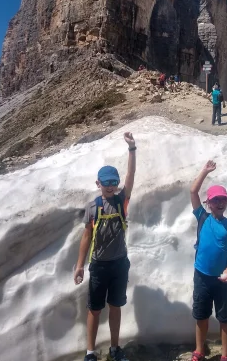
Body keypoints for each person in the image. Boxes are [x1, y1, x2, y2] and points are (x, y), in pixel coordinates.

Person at [74, 132, 137, 361]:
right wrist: (80, 265)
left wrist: (132, 149)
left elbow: (131, 175)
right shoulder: (93, 207)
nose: (111, 186)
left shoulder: (122, 201)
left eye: (114, 182)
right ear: (98, 183)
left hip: (119, 264)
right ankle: (90, 352)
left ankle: (114, 348)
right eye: (106, 183)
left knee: (115, 307)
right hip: (99, 266)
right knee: (95, 309)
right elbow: (86, 237)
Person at [190, 160, 227, 361]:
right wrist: (204, 171)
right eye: (215, 200)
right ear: (208, 203)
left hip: (222, 279)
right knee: (201, 316)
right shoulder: (202, 217)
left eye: (223, 200)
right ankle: (199, 351)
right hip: (202, 276)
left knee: (225, 318)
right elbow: (193, 193)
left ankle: (225, 356)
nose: (220, 203)